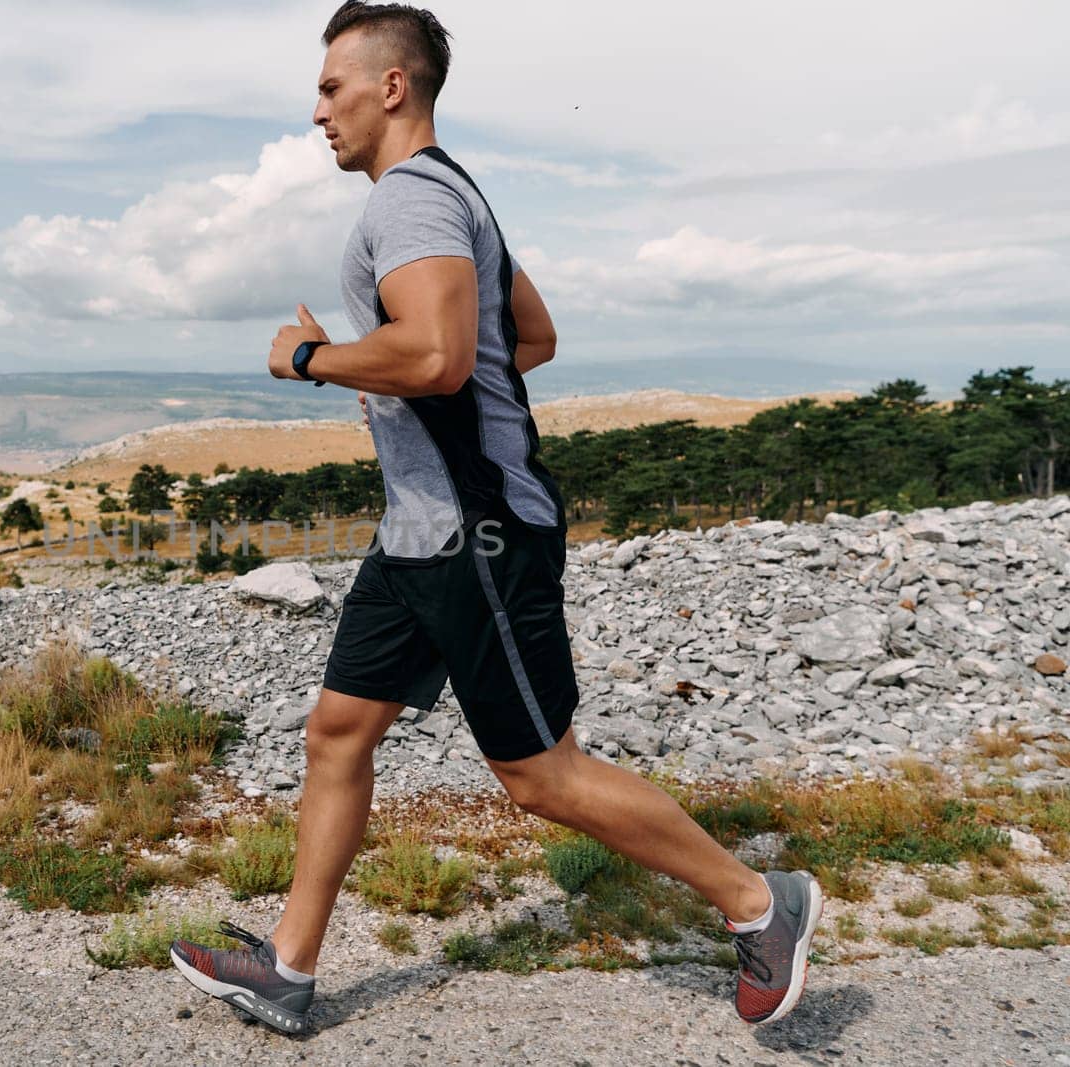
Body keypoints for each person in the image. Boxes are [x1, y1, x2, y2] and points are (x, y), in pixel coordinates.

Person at [171, 0, 822, 1035]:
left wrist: (313, 359)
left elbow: (434, 352)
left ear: (392, 87)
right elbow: (528, 337)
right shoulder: (457, 195)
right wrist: (423, 382)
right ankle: (288, 967)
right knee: (337, 731)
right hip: (416, 536)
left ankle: (759, 900)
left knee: (537, 775)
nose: (316, 113)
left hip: (475, 535)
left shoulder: (410, 204)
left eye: (331, 88)